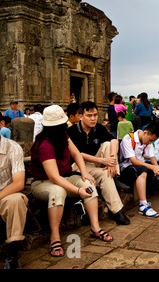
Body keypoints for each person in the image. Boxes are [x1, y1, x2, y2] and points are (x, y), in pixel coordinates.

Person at [30, 105, 113, 257]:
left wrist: (84, 172)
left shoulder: (64, 136)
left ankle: (95, 227)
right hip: (42, 183)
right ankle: (54, 236)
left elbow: (76, 154)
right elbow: (53, 177)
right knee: (57, 190)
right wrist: (77, 190)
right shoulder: (45, 144)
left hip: (66, 176)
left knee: (88, 184)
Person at [68, 101, 130, 225]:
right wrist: (103, 161)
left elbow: (114, 140)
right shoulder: (72, 131)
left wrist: (111, 161)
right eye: (89, 115)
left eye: (95, 115)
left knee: (108, 144)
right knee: (105, 175)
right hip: (78, 165)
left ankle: (114, 173)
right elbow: (78, 154)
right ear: (81, 116)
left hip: (95, 163)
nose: (93, 118)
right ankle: (117, 211)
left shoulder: (98, 128)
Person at [0, 135, 28, 269]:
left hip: (6, 194)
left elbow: (19, 183)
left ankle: (12, 255)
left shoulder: (12, 147)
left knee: (16, 201)